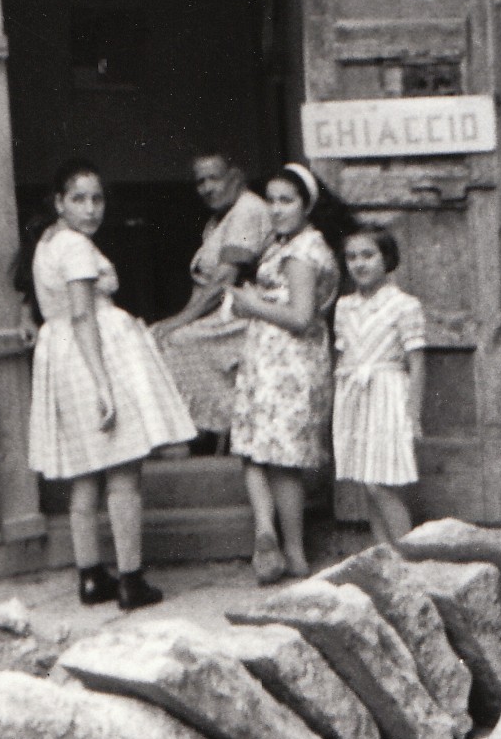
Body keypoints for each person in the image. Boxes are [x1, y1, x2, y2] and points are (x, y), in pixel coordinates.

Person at [19, 159, 194, 608]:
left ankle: (92, 576)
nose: (91, 208)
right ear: (59, 202)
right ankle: (131, 580)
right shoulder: (75, 247)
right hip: (88, 357)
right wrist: (102, 384)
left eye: (97, 198)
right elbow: (82, 315)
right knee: (122, 473)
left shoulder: (49, 241)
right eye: (78, 199)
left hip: (62, 353)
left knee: (85, 476)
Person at [229, 163, 346, 584]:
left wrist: (250, 304)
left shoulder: (304, 251)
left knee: (280, 459)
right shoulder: (285, 244)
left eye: (286, 201)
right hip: (267, 358)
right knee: (255, 447)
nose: (276, 209)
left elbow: (299, 316)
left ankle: (292, 551)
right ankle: (267, 533)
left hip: (290, 361)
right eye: (272, 200)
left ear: (307, 205)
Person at [150, 152, 275, 441]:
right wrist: (176, 320)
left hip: (244, 314)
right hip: (221, 312)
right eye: (200, 181)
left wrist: (178, 322)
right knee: (157, 335)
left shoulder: (248, 211)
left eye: (214, 178)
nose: (206, 188)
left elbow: (223, 281)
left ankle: (203, 428)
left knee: (173, 341)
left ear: (235, 177)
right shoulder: (219, 219)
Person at [332, 226, 426, 546]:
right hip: (355, 397)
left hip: (389, 394)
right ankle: (385, 557)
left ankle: (410, 557)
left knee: (380, 483)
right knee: (365, 482)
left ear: (386, 259)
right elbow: (344, 356)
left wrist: (413, 414)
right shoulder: (344, 306)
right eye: (352, 257)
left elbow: (417, 363)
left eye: (368, 255)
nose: (359, 264)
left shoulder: (404, 305)